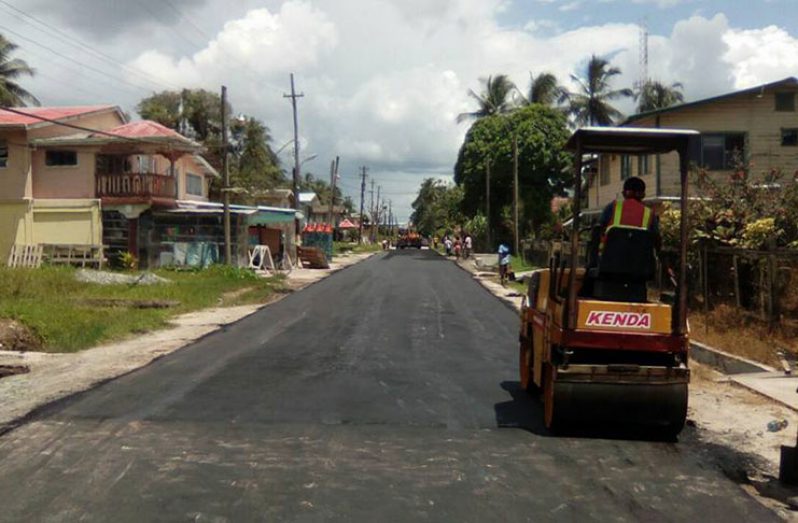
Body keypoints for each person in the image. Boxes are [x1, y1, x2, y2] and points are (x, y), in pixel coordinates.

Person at [598, 176, 661, 257]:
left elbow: (599, 228)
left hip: (611, 260)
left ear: (624, 193)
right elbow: (657, 239)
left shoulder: (612, 207)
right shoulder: (649, 214)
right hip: (639, 262)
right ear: (643, 195)